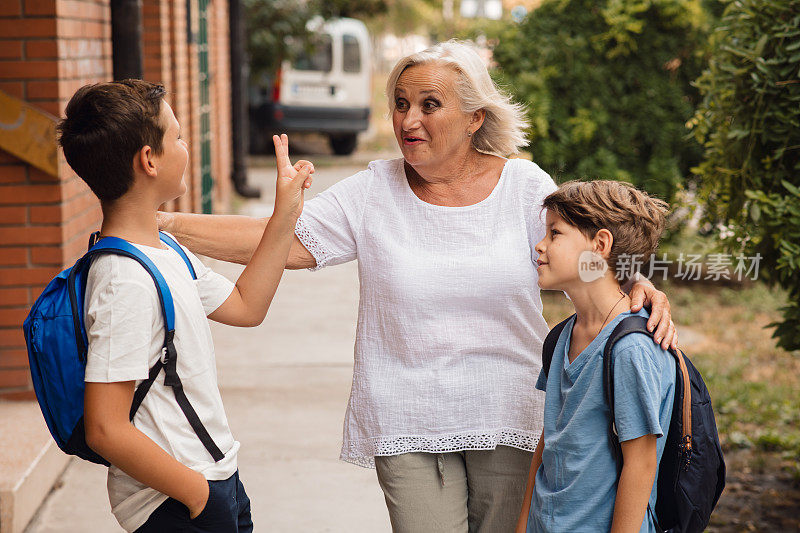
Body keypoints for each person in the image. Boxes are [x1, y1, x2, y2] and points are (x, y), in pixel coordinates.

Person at [158, 41, 678, 532]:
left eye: (431, 105)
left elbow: (580, 260)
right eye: (401, 103)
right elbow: (280, 242)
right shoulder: (373, 191)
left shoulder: (523, 188)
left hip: (507, 410)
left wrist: (633, 289)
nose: (409, 119)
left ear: (475, 118)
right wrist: (160, 224)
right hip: (406, 415)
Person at [56, 79, 312, 532]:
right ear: (148, 160)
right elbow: (104, 427)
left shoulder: (164, 250)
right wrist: (196, 495)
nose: (186, 144)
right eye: (176, 135)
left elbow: (245, 305)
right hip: (174, 501)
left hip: (215, 478)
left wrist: (286, 212)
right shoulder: (124, 281)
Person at [516, 180, 676, 533]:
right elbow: (550, 437)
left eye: (554, 233)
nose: (539, 246)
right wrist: (524, 524)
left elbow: (642, 462)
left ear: (600, 245)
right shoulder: (562, 335)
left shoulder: (630, 348)